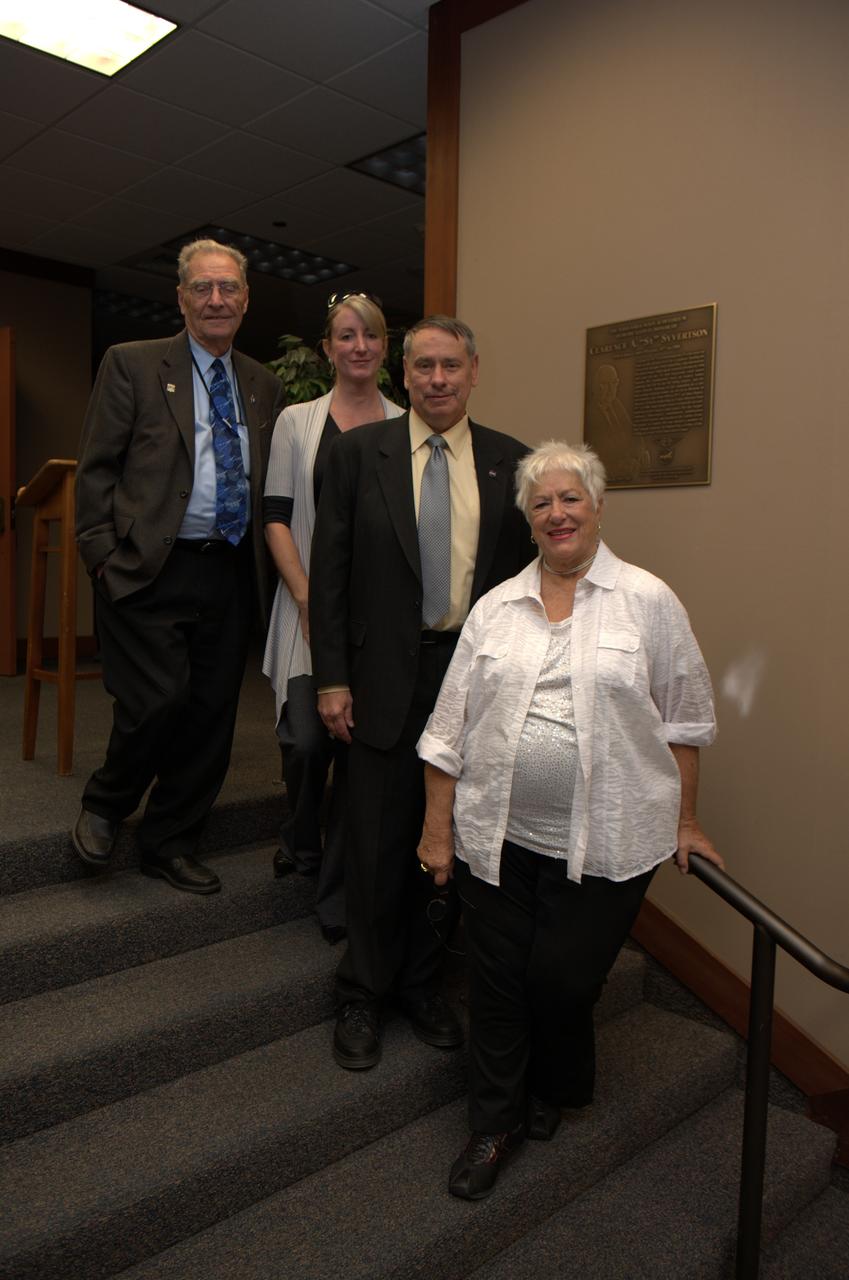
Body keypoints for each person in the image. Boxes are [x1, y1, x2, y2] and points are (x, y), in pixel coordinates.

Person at [416, 440, 722, 1199]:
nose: (556, 513)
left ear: (596, 506)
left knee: (558, 982)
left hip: (610, 840)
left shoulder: (647, 600)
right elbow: (447, 728)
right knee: (494, 985)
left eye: (569, 498)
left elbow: (684, 721)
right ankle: (495, 1123)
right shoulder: (496, 607)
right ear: (528, 520)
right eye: (541, 503)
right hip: (498, 837)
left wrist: (685, 822)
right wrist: (436, 829)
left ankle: (558, 1085)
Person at [308, 315, 533, 1070]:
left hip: (469, 680)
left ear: (475, 371)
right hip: (378, 680)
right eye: (424, 366)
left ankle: (421, 984)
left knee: (450, 848)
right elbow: (329, 571)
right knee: (374, 839)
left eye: (451, 366)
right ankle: (362, 993)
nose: (437, 379)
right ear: (404, 375)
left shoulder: (511, 462)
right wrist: (331, 676)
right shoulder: (353, 455)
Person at [72, 239, 284, 893]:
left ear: (245, 301)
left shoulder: (262, 384)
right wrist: (103, 556)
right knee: (155, 701)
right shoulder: (132, 365)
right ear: (182, 297)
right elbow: (97, 469)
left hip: (227, 571)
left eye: (228, 289)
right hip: (146, 567)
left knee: (211, 714)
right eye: (202, 288)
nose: (216, 299)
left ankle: (169, 839)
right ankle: (108, 802)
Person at [262, 293, 404, 944]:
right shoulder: (298, 421)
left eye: (370, 335)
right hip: (307, 608)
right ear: (327, 348)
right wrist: (305, 598)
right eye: (346, 335)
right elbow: (277, 518)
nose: (358, 346)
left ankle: (333, 874)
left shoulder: (407, 424)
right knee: (305, 740)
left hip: (374, 622)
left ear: (384, 347)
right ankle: (299, 832)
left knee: (354, 745)